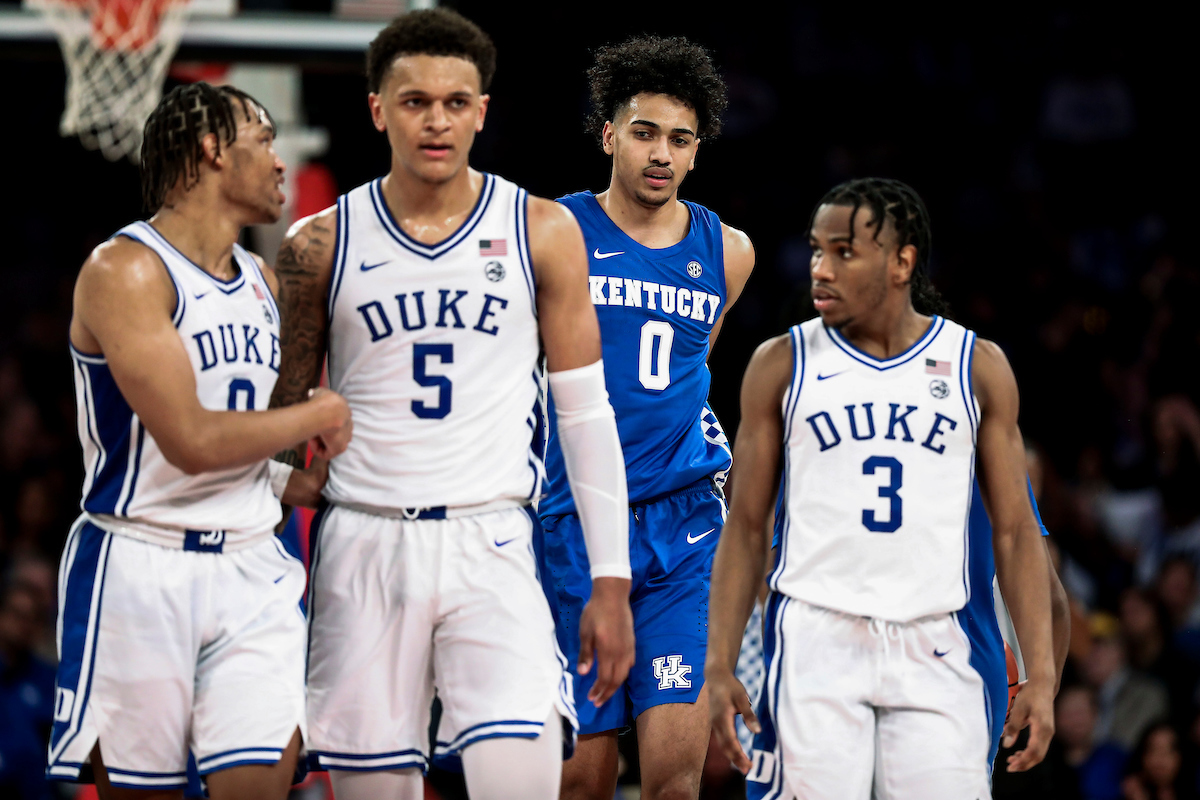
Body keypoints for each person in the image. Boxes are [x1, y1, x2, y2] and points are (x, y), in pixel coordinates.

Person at [267, 9, 635, 800]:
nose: (437, 120)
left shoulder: (542, 229)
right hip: (363, 543)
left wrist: (611, 579)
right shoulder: (317, 244)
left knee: (523, 782)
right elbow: (278, 429)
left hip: (492, 539)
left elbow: (585, 414)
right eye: (414, 101)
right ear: (376, 109)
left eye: (456, 101)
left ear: (482, 111)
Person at [45, 82, 351, 799]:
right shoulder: (123, 270)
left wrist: (284, 483)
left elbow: (236, 437)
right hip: (140, 565)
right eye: (265, 140)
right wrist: (318, 414)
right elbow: (189, 440)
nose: (281, 162)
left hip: (250, 569)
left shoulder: (263, 284)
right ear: (213, 148)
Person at [706, 177, 1057, 798]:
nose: (822, 267)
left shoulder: (977, 367)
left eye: (844, 251)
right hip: (815, 636)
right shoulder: (779, 364)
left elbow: (1017, 535)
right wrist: (720, 659)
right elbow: (745, 527)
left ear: (901, 261)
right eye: (816, 250)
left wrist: (1044, 678)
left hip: (938, 642)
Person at [537, 35, 755, 800]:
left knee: (674, 782)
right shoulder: (553, 232)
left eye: (680, 139)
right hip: (571, 521)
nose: (661, 153)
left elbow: (693, 374)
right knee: (582, 778)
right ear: (608, 136)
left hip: (684, 528)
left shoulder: (728, 251)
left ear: (696, 152)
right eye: (644, 132)